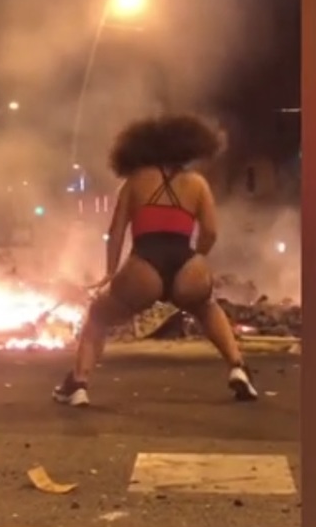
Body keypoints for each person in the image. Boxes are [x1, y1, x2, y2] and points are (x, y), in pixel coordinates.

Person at [53, 114, 258, 407]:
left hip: (144, 266)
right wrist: (197, 258)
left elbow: (116, 232)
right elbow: (211, 232)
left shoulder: (135, 182)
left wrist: (110, 272)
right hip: (187, 264)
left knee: (98, 316)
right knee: (206, 307)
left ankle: (78, 384)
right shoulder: (197, 184)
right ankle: (238, 368)